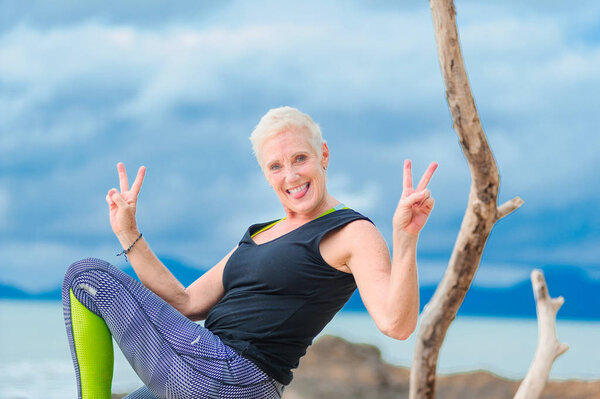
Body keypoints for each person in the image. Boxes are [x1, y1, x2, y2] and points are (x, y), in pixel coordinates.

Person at [62, 106, 437, 399]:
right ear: (264, 172)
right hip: (207, 368)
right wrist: (128, 232)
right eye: (276, 166)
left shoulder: (351, 231)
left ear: (323, 154)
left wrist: (405, 238)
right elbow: (186, 302)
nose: (290, 176)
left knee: (86, 277)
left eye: (300, 159)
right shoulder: (262, 233)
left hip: (232, 376)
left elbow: (397, 324)